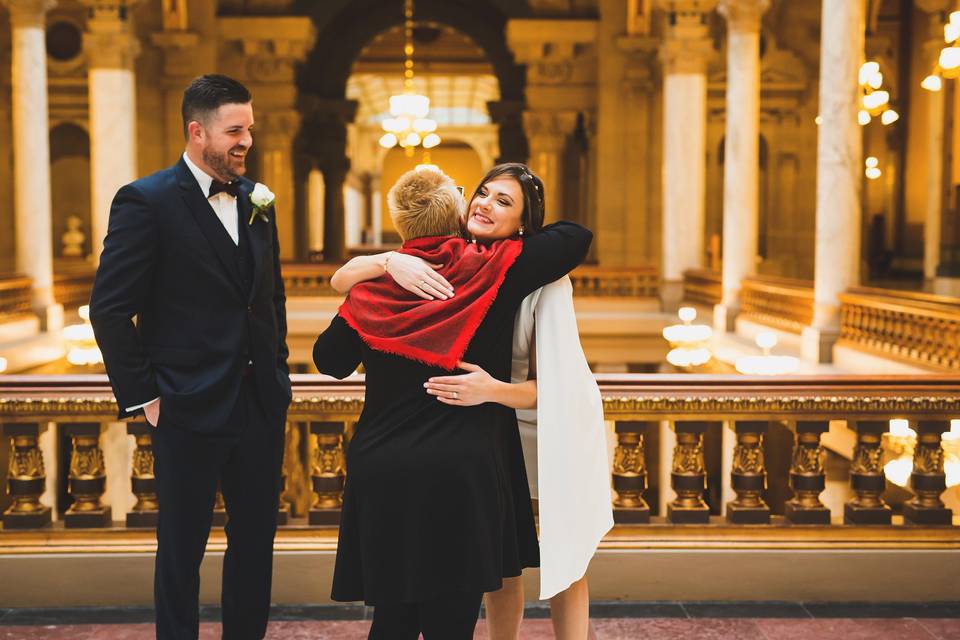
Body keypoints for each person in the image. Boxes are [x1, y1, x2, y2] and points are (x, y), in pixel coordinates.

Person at [331, 163, 612, 640]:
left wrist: (382, 266)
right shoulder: (472, 269)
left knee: (403, 616)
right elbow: (573, 238)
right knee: (466, 599)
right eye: (481, 194)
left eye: (503, 202)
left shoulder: (512, 269)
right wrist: (388, 260)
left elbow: (329, 358)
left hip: (478, 437)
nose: (484, 204)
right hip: (467, 451)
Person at [90, 74, 291, 640]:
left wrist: (275, 371)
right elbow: (108, 310)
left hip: (258, 406)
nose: (245, 141)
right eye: (234, 131)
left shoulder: (258, 201)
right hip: (184, 408)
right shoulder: (146, 200)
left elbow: (269, 296)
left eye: (249, 129)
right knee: (181, 553)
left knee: (255, 547)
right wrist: (147, 397)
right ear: (196, 131)